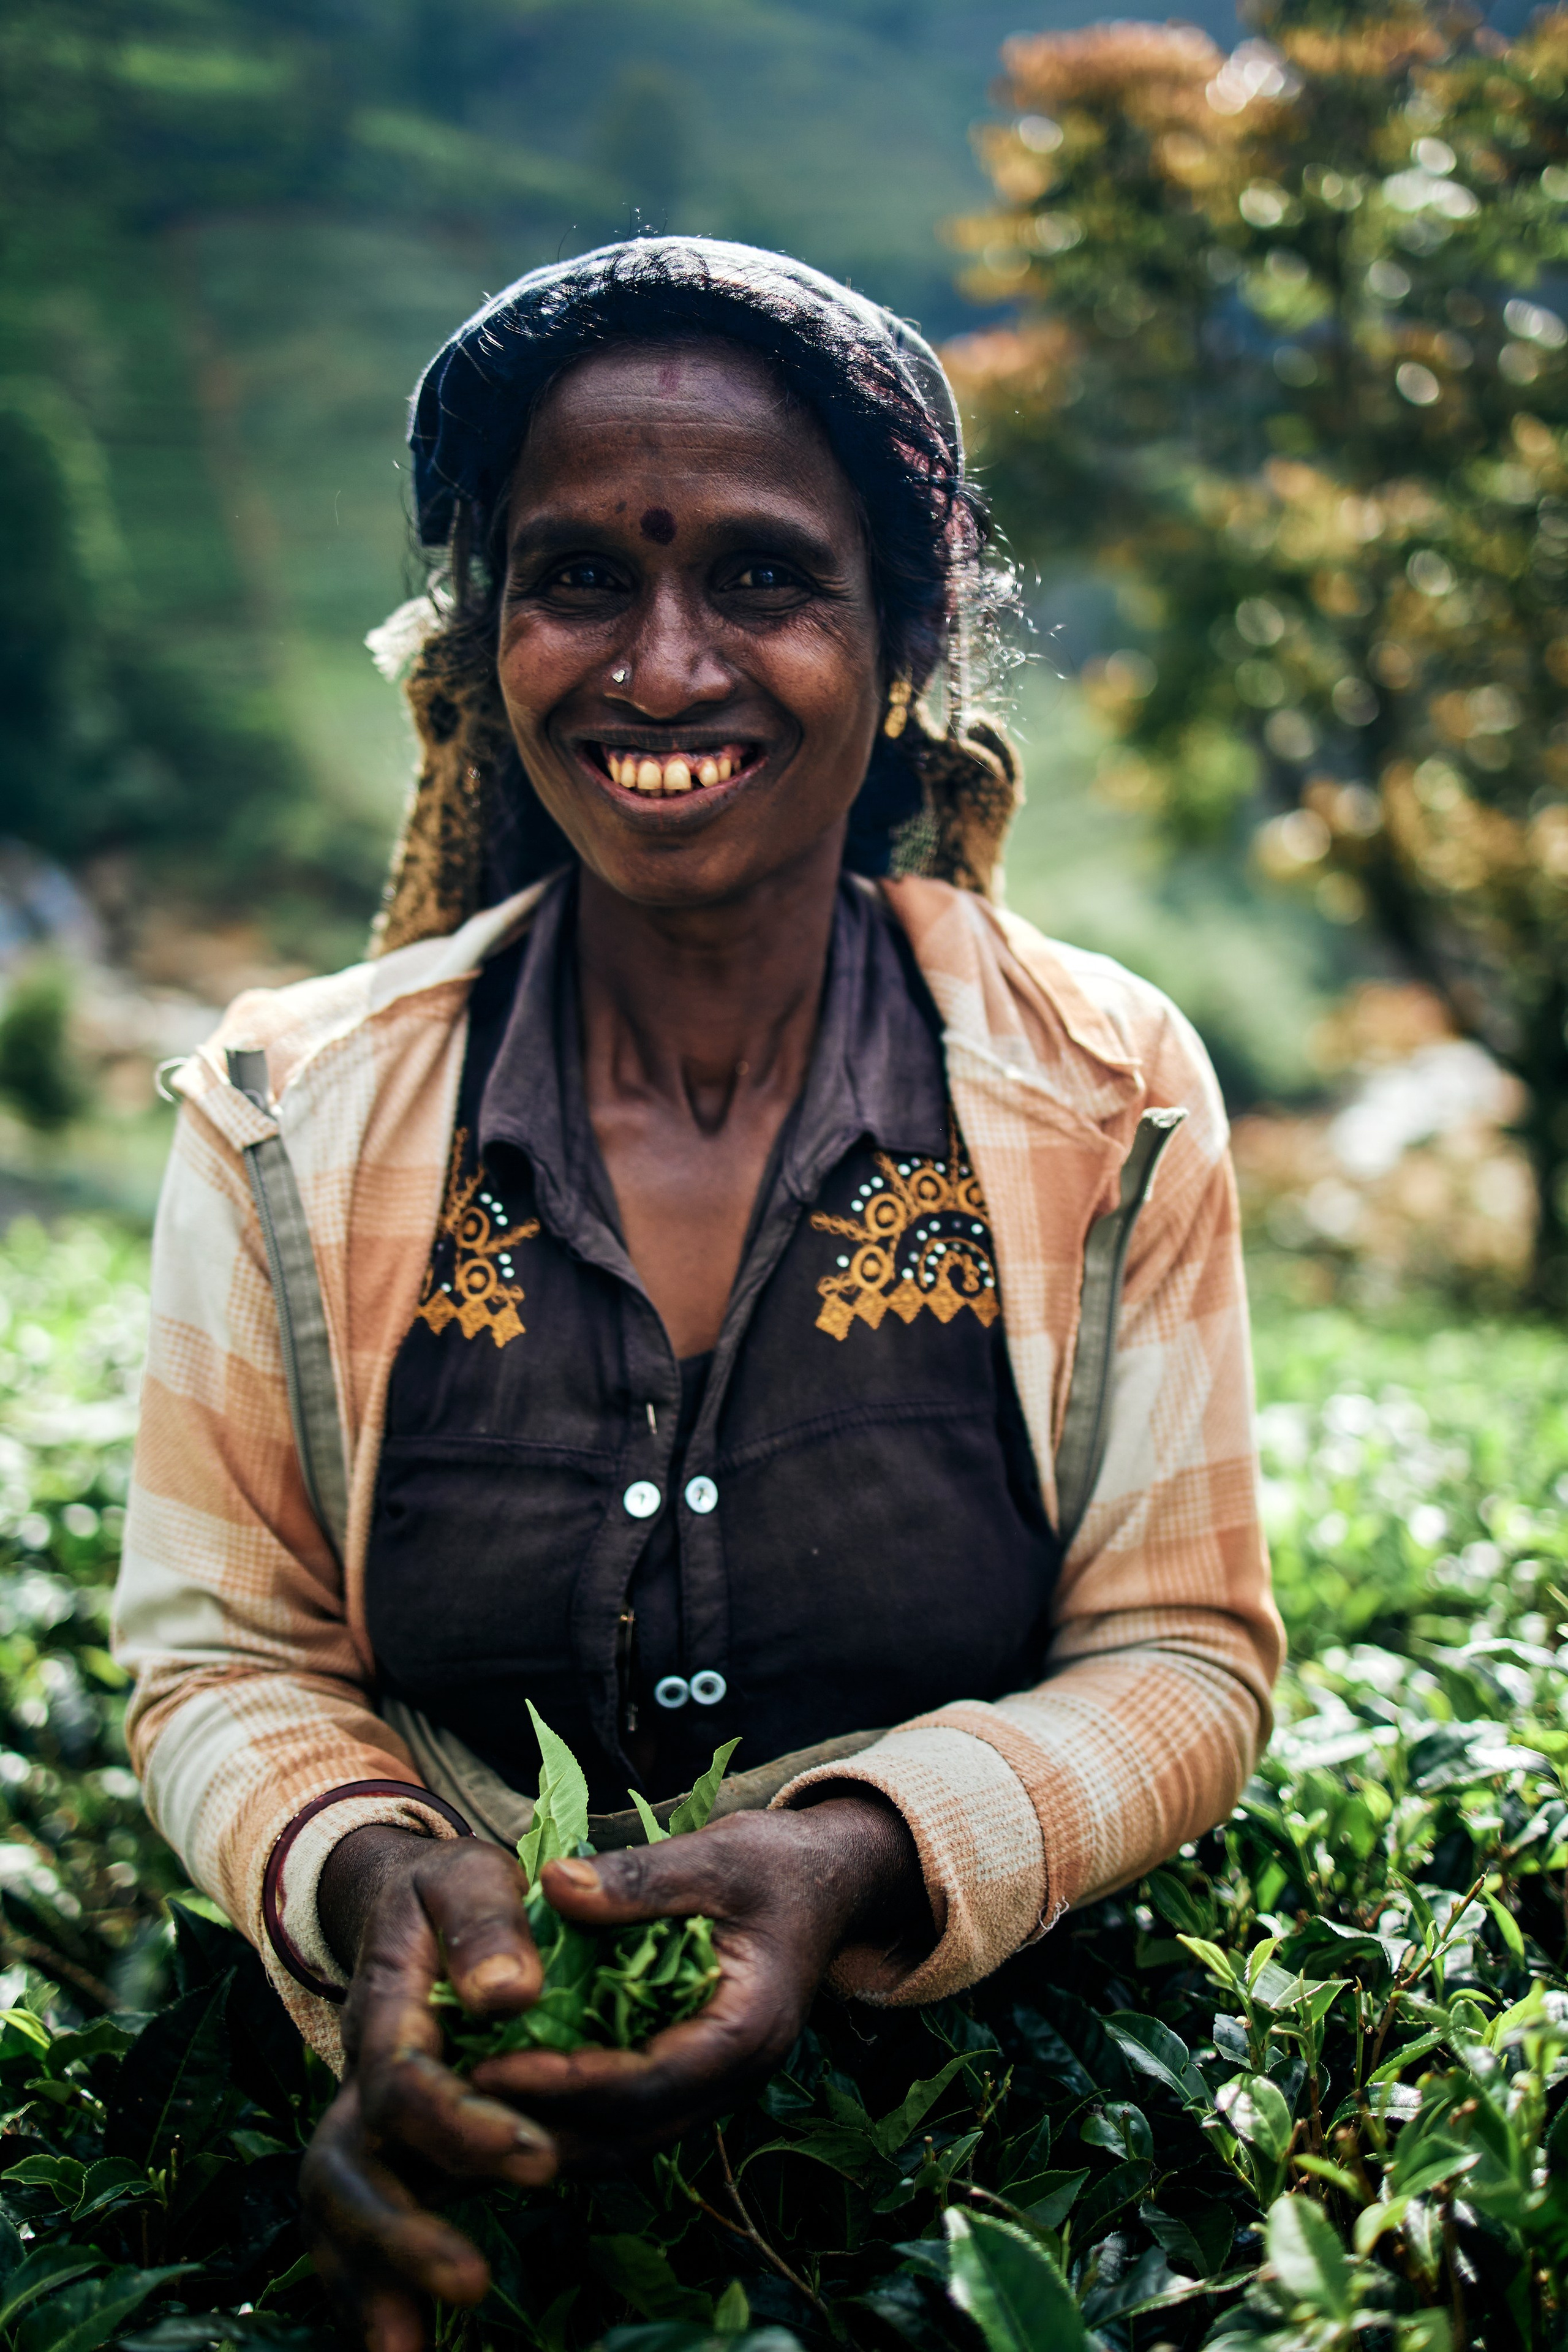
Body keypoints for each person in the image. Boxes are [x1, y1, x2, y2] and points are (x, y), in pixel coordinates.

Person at [113, 237, 1281, 2351]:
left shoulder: (1104, 1090)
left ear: (903, 639)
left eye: (760, 579)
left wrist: (857, 1851)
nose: (660, 672)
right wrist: (377, 1882)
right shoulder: (289, 1111)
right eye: (577, 580)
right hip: (435, 2089)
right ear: (490, 643)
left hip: (967, 2181)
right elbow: (221, 1659)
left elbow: (1184, 1655)